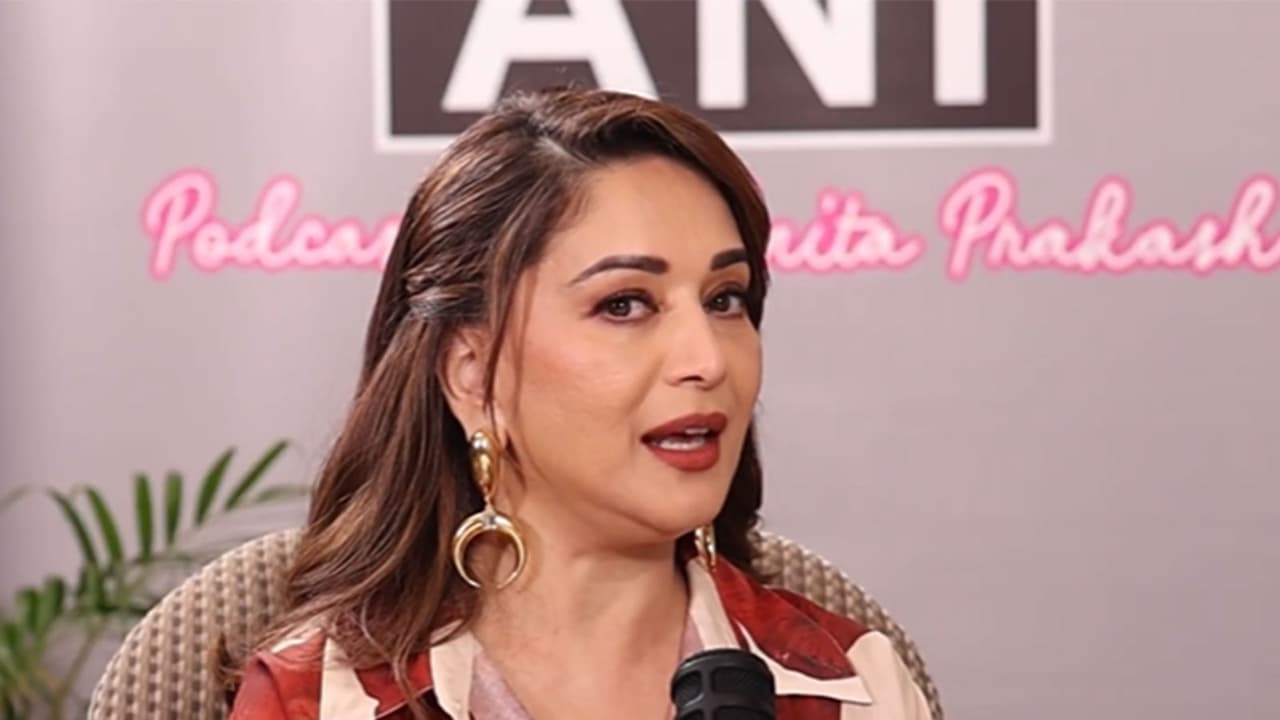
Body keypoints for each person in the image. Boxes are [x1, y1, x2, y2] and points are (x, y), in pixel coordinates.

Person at [226, 86, 933, 720]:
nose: (708, 360)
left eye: (725, 299)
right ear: (473, 377)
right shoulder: (323, 700)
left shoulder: (850, 691)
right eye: (624, 304)